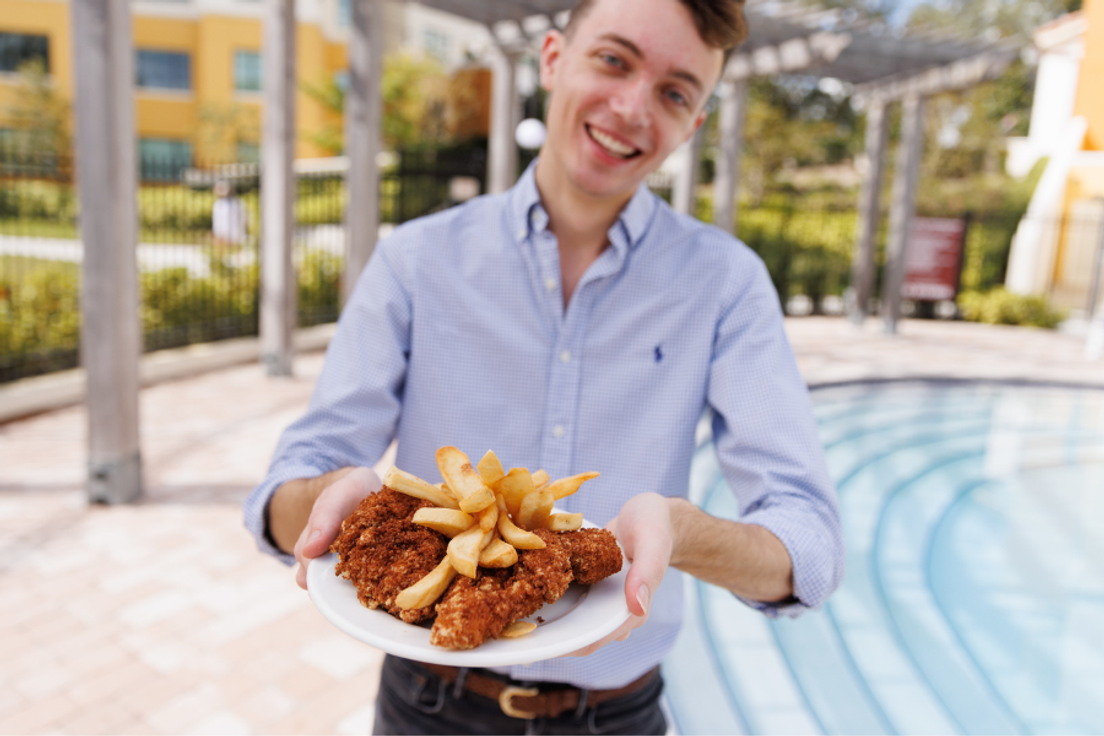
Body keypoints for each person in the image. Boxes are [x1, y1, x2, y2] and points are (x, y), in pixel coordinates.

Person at [244, 0, 844, 732]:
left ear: (694, 123)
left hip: (618, 714)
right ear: (554, 59)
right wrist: (335, 498)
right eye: (614, 60)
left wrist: (683, 533)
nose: (631, 107)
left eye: (674, 92)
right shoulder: (417, 260)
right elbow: (279, 496)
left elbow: (809, 548)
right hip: (426, 707)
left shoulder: (727, 283)